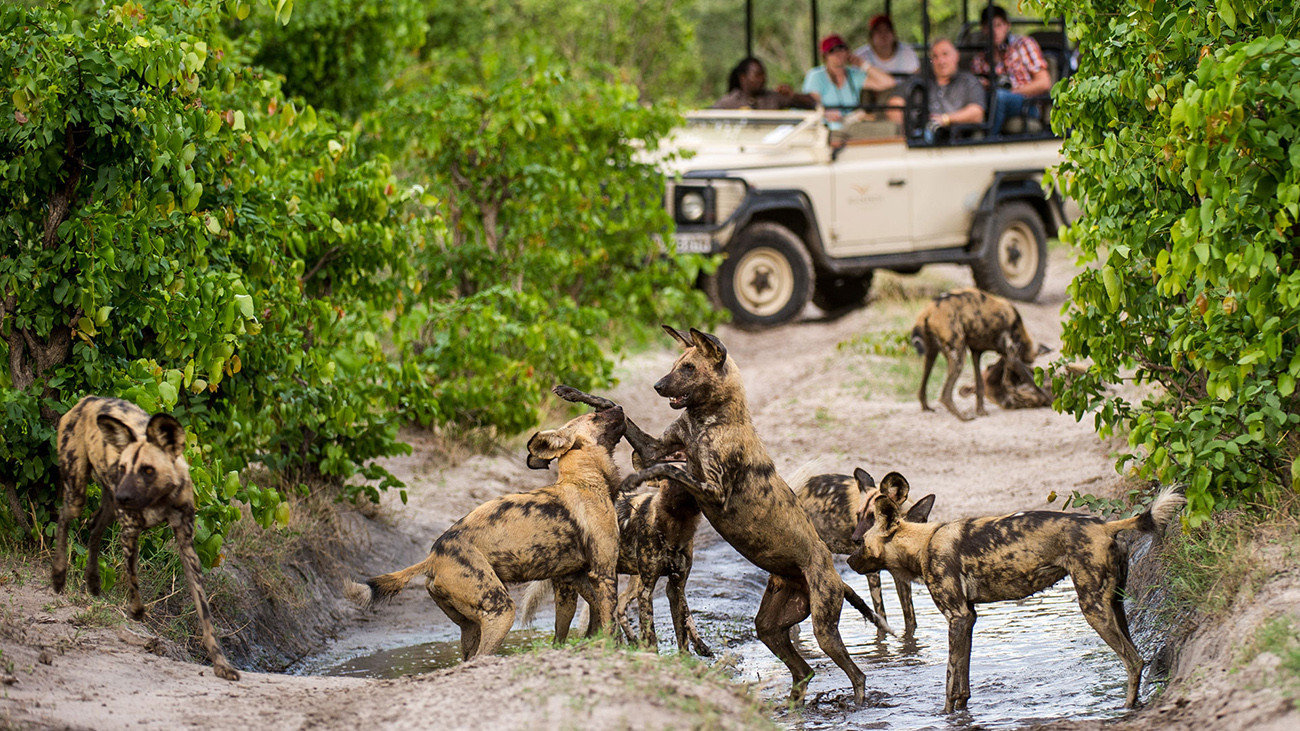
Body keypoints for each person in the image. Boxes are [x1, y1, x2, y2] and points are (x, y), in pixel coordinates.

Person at [970, 4, 1052, 134]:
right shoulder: (980, 59)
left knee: (1001, 97)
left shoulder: (1023, 45)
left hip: (1026, 103)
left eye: (998, 25)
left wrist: (1013, 91)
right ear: (984, 29)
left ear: (1007, 25)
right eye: (989, 26)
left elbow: (1044, 82)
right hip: (993, 102)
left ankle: (989, 140)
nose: (994, 31)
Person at [886, 39, 985, 141]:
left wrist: (945, 119)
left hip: (957, 141)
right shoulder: (919, 81)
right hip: (920, 140)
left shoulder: (969, 82)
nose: (941, 61)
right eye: (935, 57)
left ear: (956, 56)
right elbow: (895, 103)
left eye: (945, 54)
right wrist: (904, 134)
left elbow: (976, 114)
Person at [802, 33, 896, 129]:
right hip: (824, 130)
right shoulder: (816, 76)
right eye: (832, 51)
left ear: (847, 52)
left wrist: (862, 64)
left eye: (841, 48)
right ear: (825, 56)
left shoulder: (854, 75)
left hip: (851, 130)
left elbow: (888, 82)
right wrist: (826, 113)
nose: (838, 54)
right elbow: (812, 102)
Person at [713, 57, 816, 110]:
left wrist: (792, 95)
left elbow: (812, 103)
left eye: (763, 74)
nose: (762, 79)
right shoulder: (729, 102)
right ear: (743, 78)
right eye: (757, 75)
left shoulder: (773, 98)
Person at [853, 14, 920, 75]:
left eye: (887, 30)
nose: (883, 35)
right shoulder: (860, 56)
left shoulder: (907, 53)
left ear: (894, 34)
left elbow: (916, 78)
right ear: (871, 36)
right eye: (879, 31)